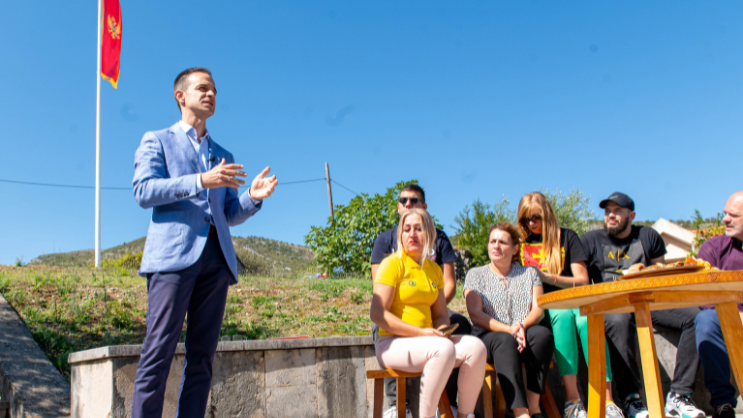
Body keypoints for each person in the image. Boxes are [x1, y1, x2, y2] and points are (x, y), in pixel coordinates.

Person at [130, 67, 278, 418]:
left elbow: (228, 213)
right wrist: (200, 180)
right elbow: (144, 191)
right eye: (203, 88)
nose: (211, 94)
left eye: (214, 90)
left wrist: (252, 198)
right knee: (158, 352)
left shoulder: (223, 153)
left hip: (216, 261)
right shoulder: (157, 140)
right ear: (181, 96)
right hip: (172, 258)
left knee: (202, 359)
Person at [580, 192, 704, 418]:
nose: (611, 215)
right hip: (612, 304)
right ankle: (631, 399)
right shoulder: (590, 240)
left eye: (617, 211)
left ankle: (679, 395)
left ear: (632, 215)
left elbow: (659, 276)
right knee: (619, 320)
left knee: (697, 317)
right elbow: (581, 280)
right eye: (607, 211)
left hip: (648, 301)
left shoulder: (648, 236)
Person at [370, 208, 487, 418]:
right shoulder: (391, 264)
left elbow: (441, 314)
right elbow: (377, 314)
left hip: (427, 343)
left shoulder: (434, 270)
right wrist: (423, 333)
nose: (412, 234)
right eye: (406, 229)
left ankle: (464, 414)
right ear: (400, 235)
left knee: (476, 347)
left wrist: (442, 331)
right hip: (391, 344)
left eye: (418, 229)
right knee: (442, 349)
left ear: (430, 234)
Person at [516, 193, 623, 418]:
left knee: (589, 319)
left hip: (574, 301)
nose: (531, 223)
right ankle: (572, 401)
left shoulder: (567, 237)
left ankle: (607, 401)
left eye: (536, 217)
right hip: (542, 308)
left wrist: (547, 277)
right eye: (525, 219)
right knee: (562, 316)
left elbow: (582, 280)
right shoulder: (520, 244)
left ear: (547, 214)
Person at [464, 222, 554, 418]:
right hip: (489, 337)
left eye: (502, 242)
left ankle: (534, 407)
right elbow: (476, 314)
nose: (496, 246)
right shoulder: (475, 275)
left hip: (521, 333)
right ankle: (521, 413)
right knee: (504, 340)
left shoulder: (529, 273)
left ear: (514, 249)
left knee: (542, 335)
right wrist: (509, 329)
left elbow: (538, 309)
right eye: (492, 241)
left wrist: (521, 326)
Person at [694, 191, 743, 418]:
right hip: (722, 317)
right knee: (705, 320)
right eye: (725, 213)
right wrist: (734, 314)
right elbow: (703, 296)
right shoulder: (712, 248)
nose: (725, 219)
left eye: (733, 215)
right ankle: (723, 404)